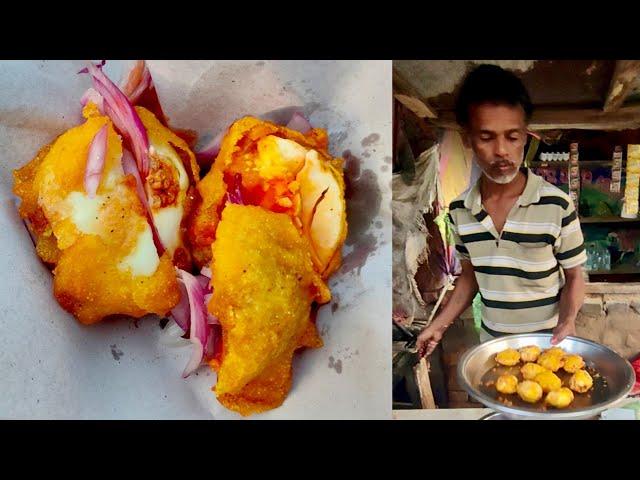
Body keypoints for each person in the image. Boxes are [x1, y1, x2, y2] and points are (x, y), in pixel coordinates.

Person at [416, 64, 587, 358]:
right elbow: (469, 278)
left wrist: (568, 322)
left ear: (525, 136)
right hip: (494, 348)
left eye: (512, 136)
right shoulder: (459, 211)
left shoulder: (557, 205)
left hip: (549, 347)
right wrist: (439, 325)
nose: (502, 151)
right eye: (486, 137)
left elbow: (574, 275)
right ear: (468, 139)